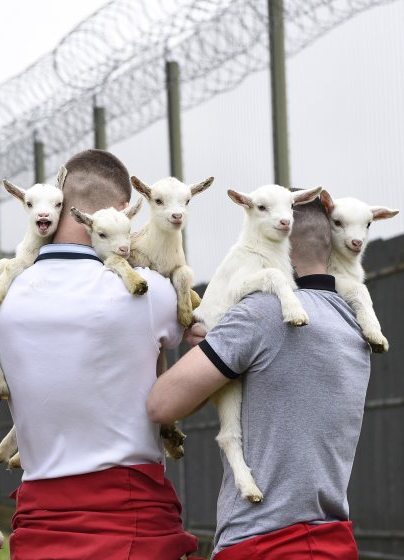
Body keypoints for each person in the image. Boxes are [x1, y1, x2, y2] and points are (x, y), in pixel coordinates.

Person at [0, 149, 199, 559]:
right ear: (123, 211)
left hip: (38, 520)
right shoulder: (151, 292)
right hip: (127, 516)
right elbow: (190, 335)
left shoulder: (0, 300)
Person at [147, 195, 371, 559]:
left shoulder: (263, 312)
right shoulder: (354, 323)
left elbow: (162, 405)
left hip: (263, 542)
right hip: (333, 540)